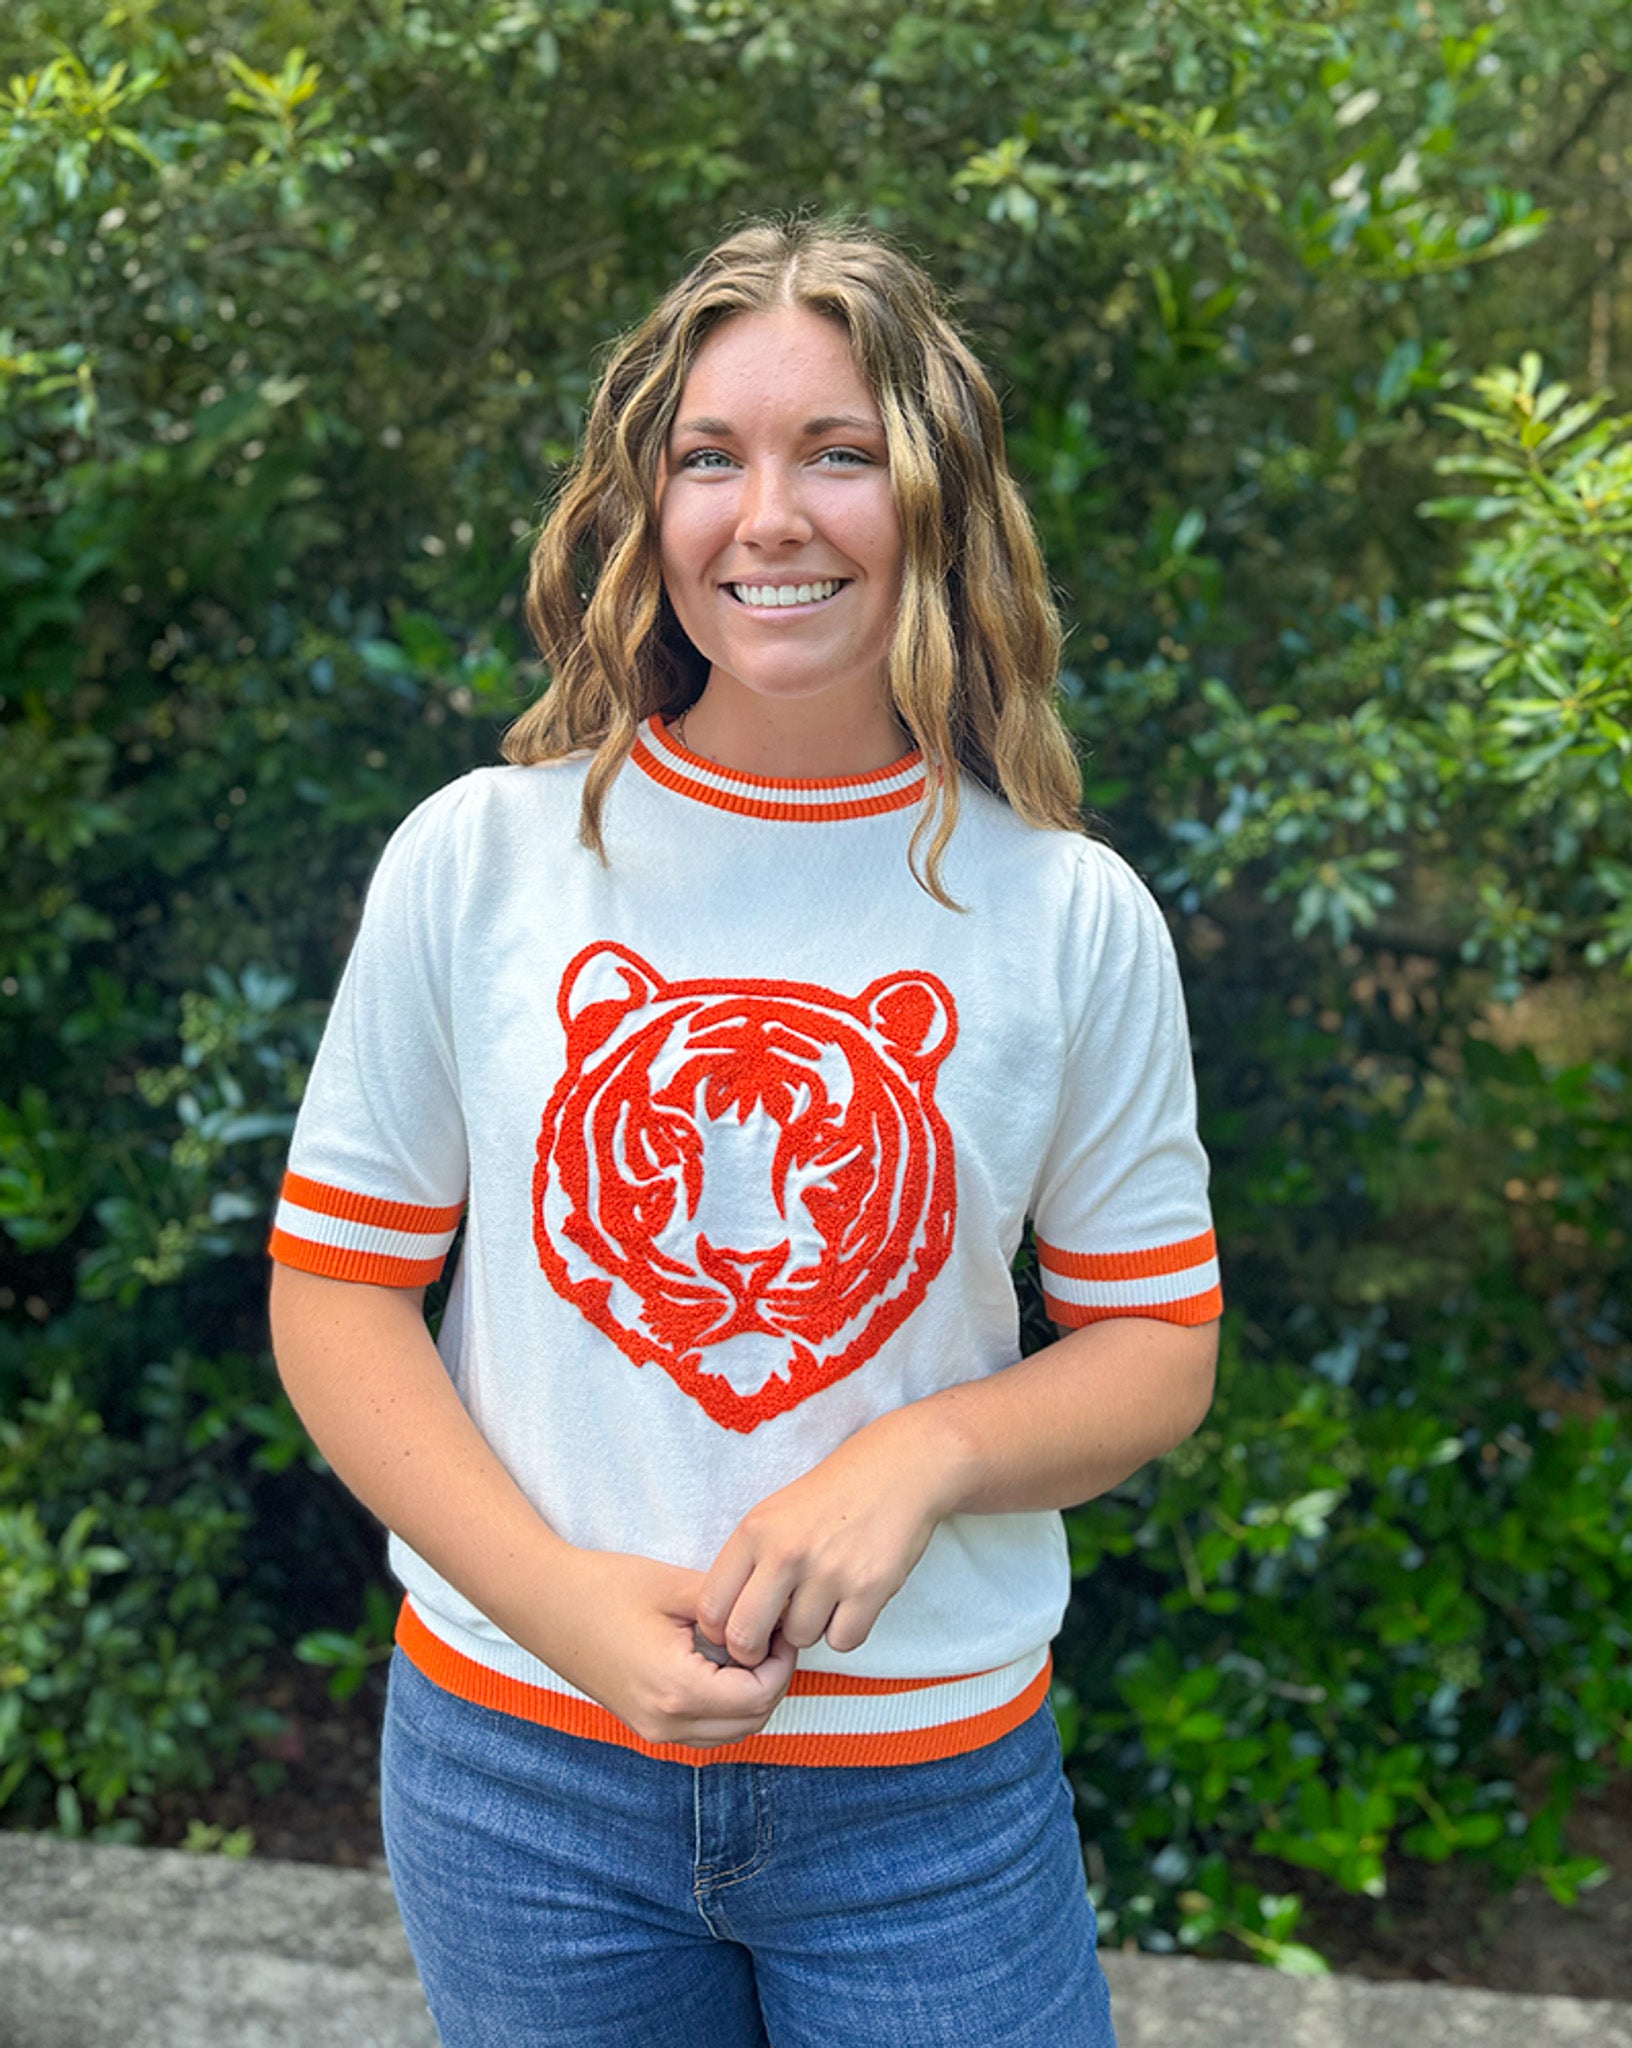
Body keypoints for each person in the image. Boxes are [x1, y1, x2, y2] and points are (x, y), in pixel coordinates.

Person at [267, 217, 1221, 2048]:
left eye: (835, 453)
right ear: (646, 506)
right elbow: (336, 1293)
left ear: (935, 498)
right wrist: (556, 1605)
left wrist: (925, 1451)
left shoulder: (1062, 911)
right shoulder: (483, 860)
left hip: (925, 1795)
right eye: (710, 457)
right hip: (517, 1772)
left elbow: (1157, 1345)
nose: (767, 517)